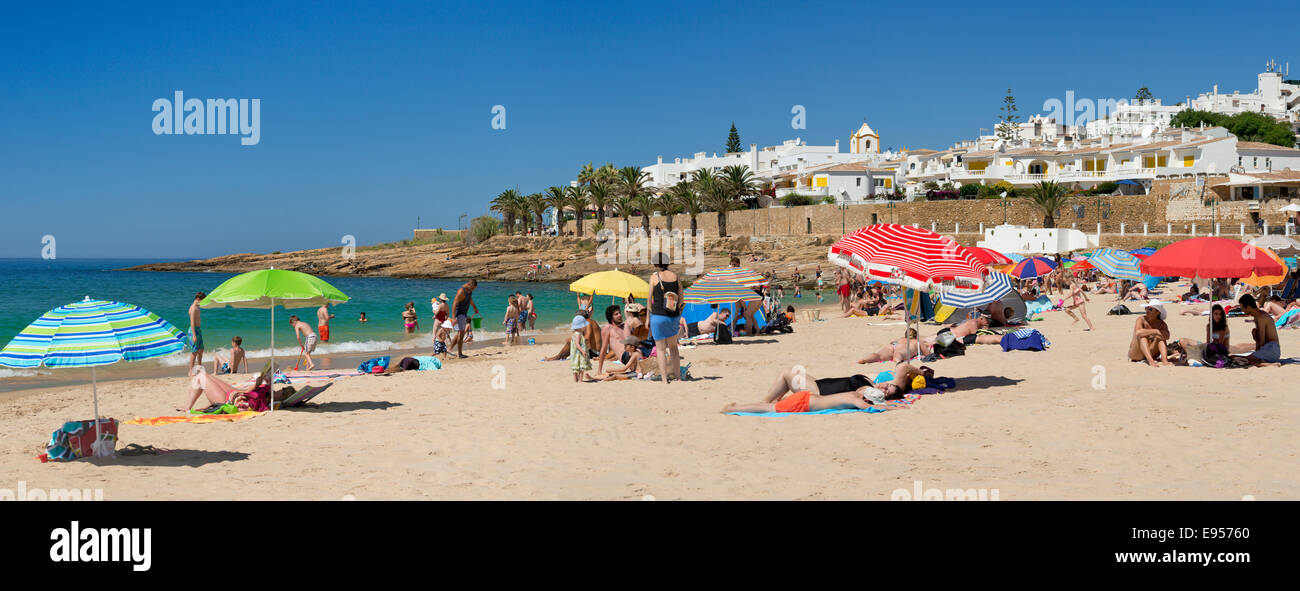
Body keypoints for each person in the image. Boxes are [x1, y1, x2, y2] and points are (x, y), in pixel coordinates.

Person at [722, 362, 926, 413]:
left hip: (819, 392)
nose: (885, 385)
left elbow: (903, 368)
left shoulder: (867, 392)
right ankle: (768, 403)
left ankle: (765, 403)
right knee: (791, 371)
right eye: (887, 384)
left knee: (787, 372)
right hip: (820, 385)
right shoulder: (874, 381)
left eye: (888, 388)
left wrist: (920, 375)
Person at [648, 252, 684, 384]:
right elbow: (681, 299)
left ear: (656, 264)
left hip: (657, 316)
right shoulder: (675, 276)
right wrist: (678, 313)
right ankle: (678, 377)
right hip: (672, 317)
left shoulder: (654, 277)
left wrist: (649, 317)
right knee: (673, 348)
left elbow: (649, 299)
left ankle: (664, 379)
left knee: (661, 349)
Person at [182, 364, 274, 413]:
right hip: (234, 393)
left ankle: (187, 408)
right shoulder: (267, 391)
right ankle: (187, 407)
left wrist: (256, 384)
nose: (279, 391)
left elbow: (249, 393)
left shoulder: (264, 396)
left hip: (227, 400)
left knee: (201, 376)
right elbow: (247, 392)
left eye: (282, 392)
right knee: (205, 375)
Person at [1232, 294, 1282, 367]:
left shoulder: (1260, 317)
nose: (1242, 310)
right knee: (1240, 358)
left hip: (1271, 350)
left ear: (1248, 307)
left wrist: (1256, 355)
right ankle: (1261, 361)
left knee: (1239, 358)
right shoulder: (1258, 316)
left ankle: (1266, 364)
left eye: (1242, 307)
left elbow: (1261, 342)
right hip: (1271, 348)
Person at [1129, 300, 1172, 367]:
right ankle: (1151, 361)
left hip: (1152, 352)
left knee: (1161, 338)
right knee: (1142, 336)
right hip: (1137, 354)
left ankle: (1164, 360)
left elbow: (1167, 336)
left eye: (1150, 309)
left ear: (1157, 312)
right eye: (1146, 308)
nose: (1147, 310)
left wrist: (1158, 334)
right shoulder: (1141, 319)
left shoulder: (1161, 324)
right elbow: (1138, 332)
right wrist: (1156, 331)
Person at [857, 328, 932, 364]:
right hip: (904, 348)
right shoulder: (917, 342)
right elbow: (928, 354)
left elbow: (892, 341)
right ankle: (897, 362)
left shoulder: (901, 338)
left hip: (893, 345)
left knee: (878, 355)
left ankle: (864, 359)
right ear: (916, 336)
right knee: (898, 354)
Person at [449, 279, 479, 358]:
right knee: (461, 334)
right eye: (472, 288)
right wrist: (453, 318)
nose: (472, 290)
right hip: (459, 314)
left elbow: (470, 299)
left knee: (460, 333)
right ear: (469, 284)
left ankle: (450, 349)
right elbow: (454, 303)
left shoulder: (469, 290)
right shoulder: (461, 291)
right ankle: (459, 354)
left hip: (463, 313)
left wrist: (475, 307)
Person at [569, 315, 592, 382]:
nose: (585, 327)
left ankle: (575, 379)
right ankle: (580, 380)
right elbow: (577, 344)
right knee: (581, 367)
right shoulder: (578, 334)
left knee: (576, 367)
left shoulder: (575, 334)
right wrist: (582, 351)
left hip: (575, 354)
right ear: (580, 326)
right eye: (584, 326)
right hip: (579, 353)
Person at [187, 292, 205, 371]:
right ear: (198, 299)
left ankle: (199, 368)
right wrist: (194, 335)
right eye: (202, 300)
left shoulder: (197, 307)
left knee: (201, 349)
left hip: (198, 330)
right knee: (194, 352)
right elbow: (192, 323)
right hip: (194, 330)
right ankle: (190, 371)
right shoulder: (193, 308)